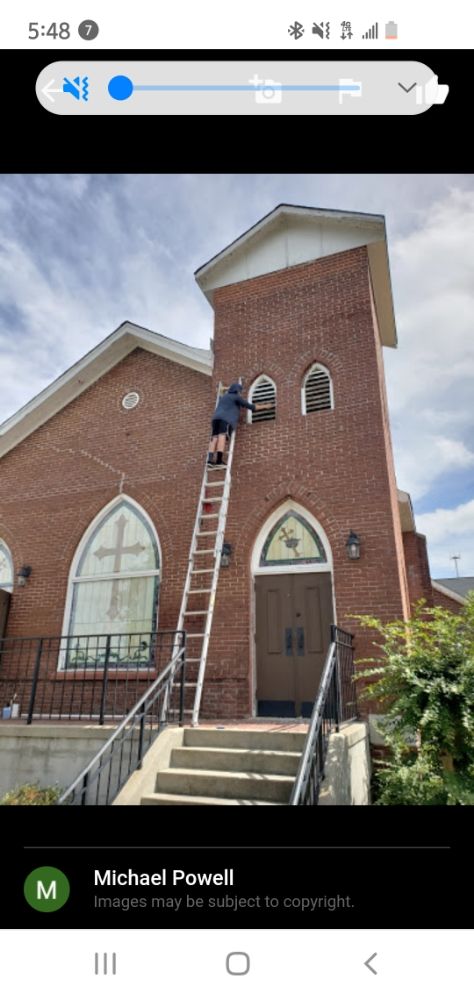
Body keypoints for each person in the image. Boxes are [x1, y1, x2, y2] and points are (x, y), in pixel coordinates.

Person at [207, 382, 272, 467]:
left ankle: (209, 460)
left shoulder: (223, 397)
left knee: (214, 438)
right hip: (225, 419)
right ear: (237, 391)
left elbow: (222, 390)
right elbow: (251, 406)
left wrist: (228, 388)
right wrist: (265, 406)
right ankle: (219, 460)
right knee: (222, 436)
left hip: (215, 419)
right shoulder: (236, 397)